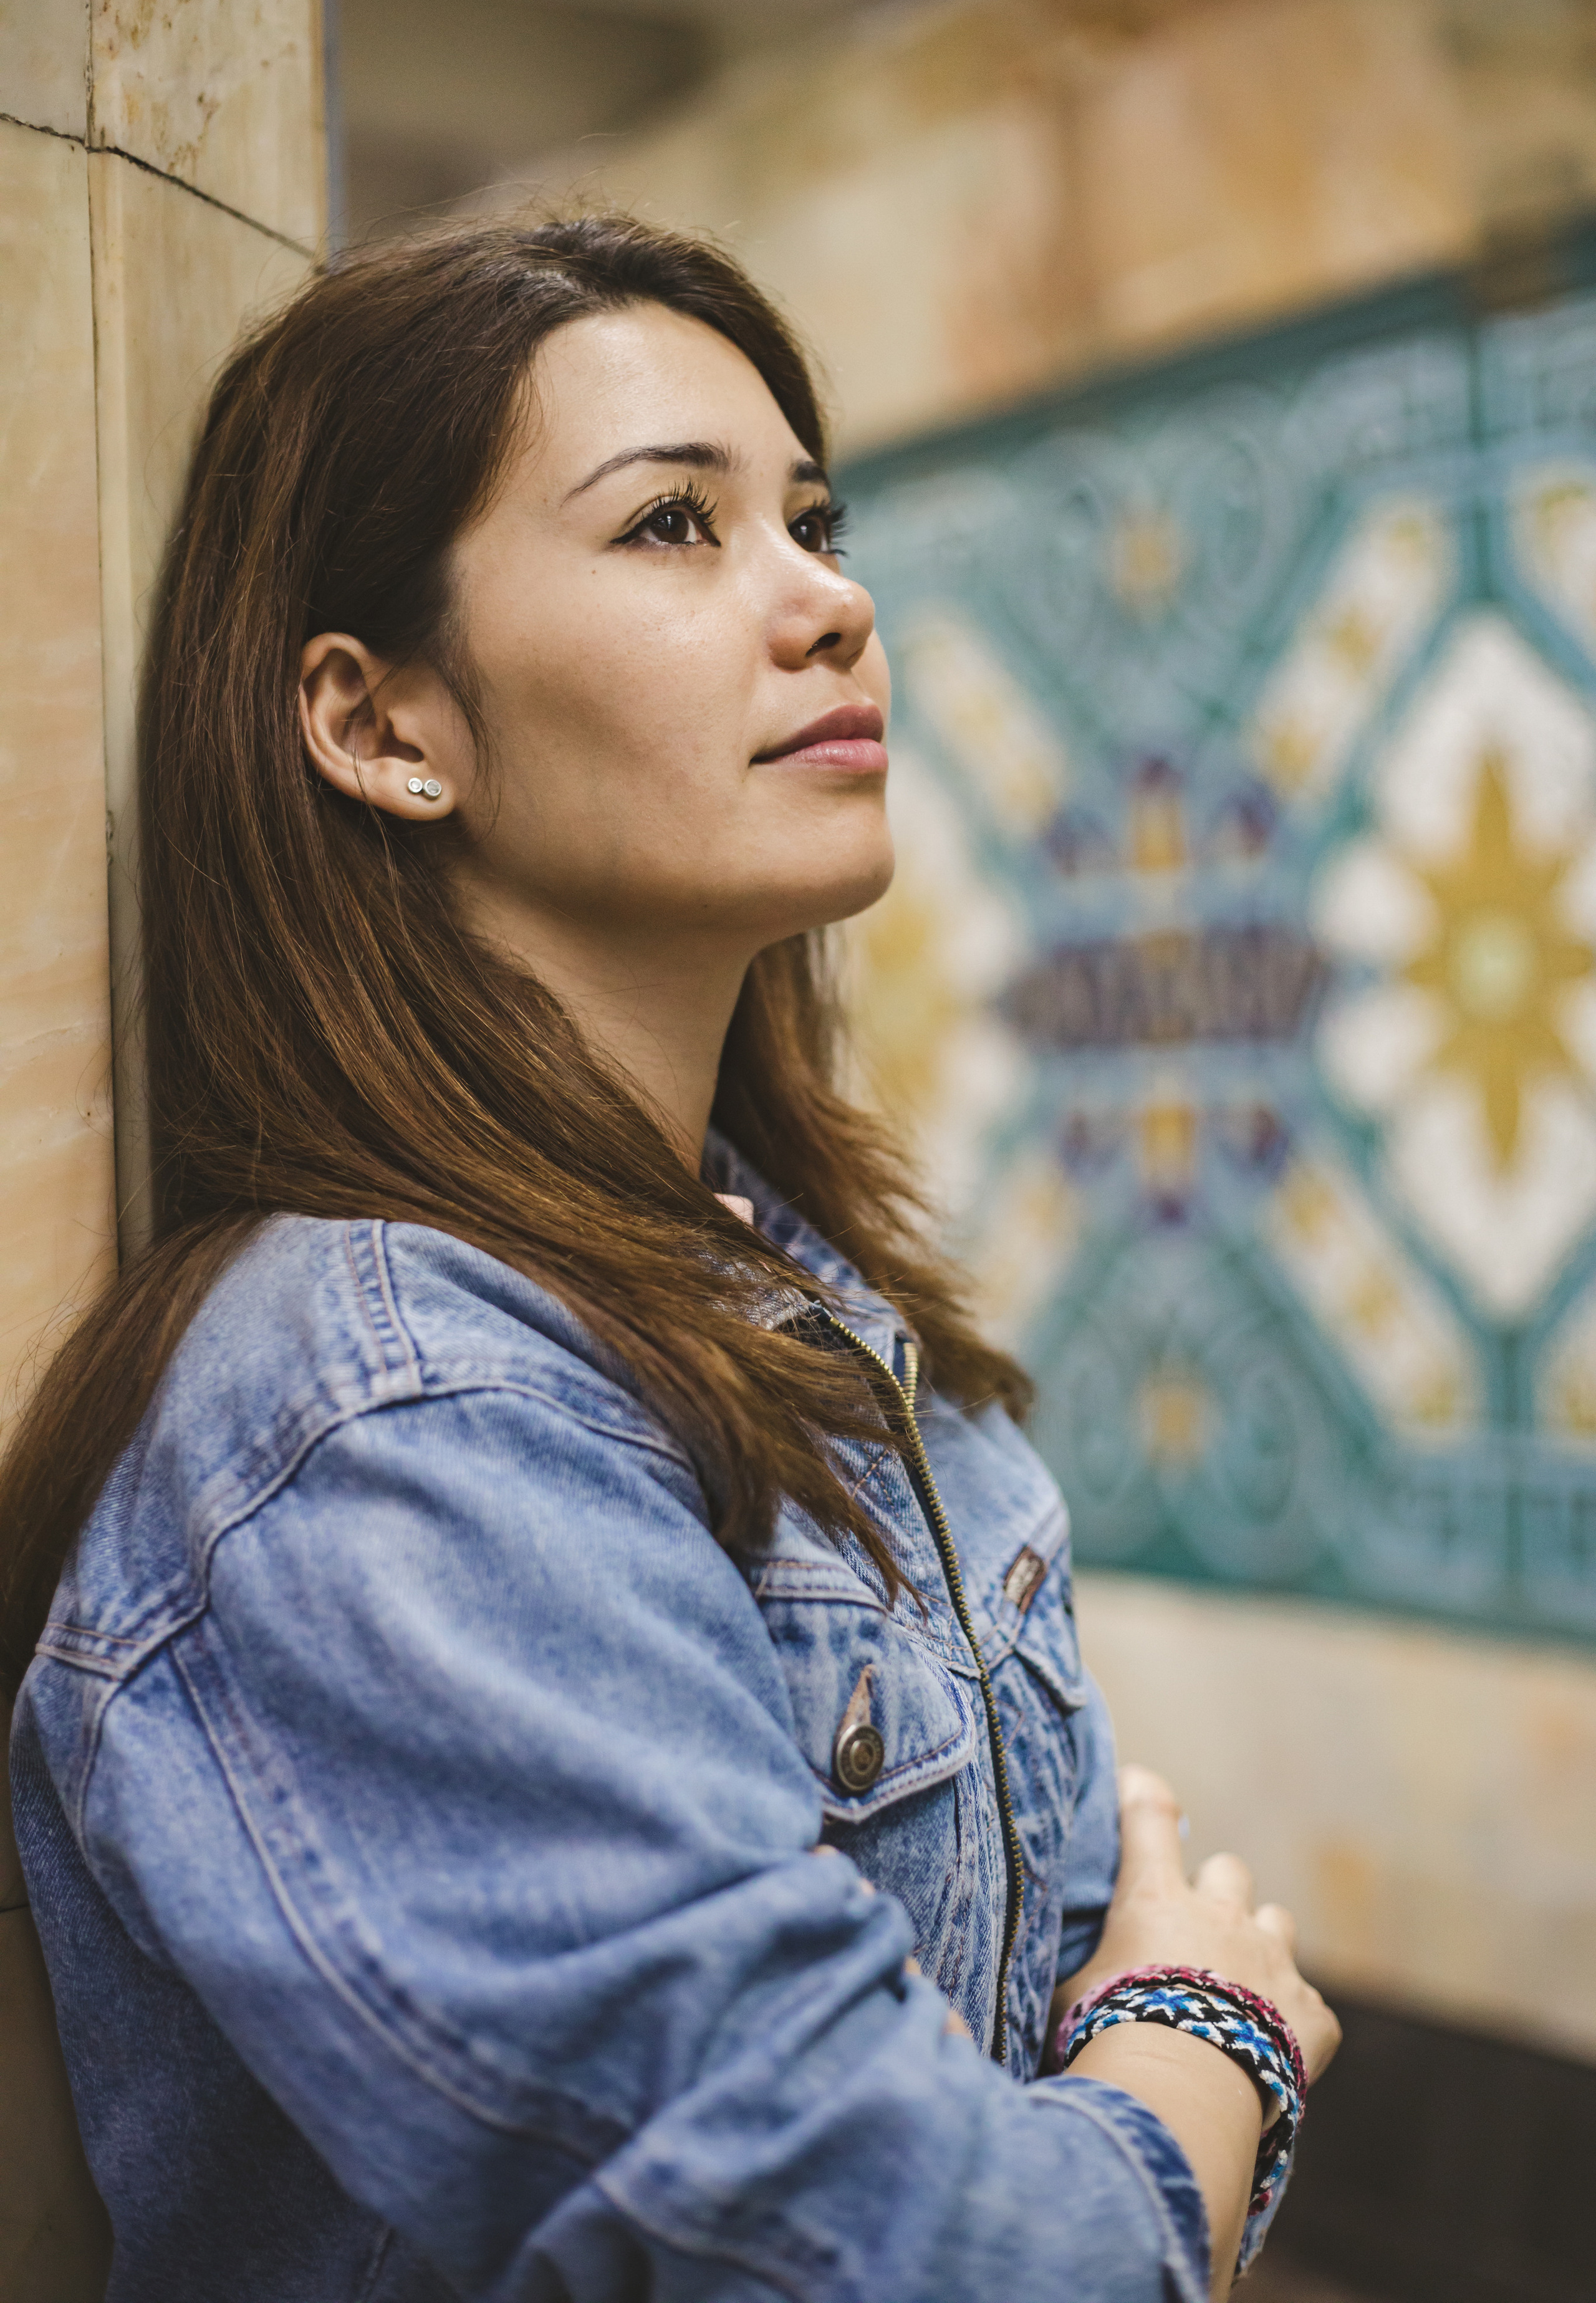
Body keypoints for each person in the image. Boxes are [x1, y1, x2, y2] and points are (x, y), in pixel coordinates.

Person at [0, 215, 1337, 2303]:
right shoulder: (387, 1413)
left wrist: (1131, 2109)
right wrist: (1210, 2046)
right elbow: (930, 2253)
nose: (830, 601)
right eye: (672, 527)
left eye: (815, 519)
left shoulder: (794, 1292)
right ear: (381, 722)